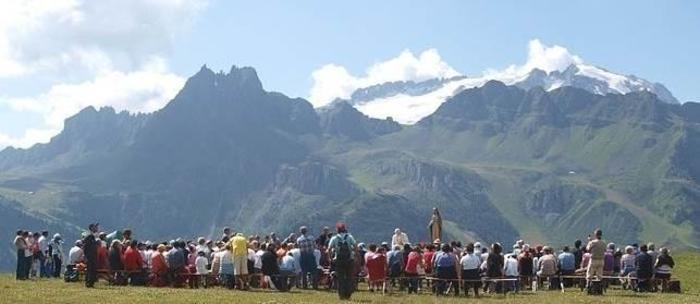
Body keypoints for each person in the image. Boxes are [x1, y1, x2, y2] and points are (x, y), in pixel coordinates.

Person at [328, 222, 357, 300]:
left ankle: (341, 295)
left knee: (340, 278)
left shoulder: (334, 238)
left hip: (339, 260)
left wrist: (330, 258)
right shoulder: (349, 237)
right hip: (349, 260)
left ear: (337, 230)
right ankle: (348, 295)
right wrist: (355, 256)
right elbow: (355, 246)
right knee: (349, 277)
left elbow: (329, 249)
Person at [83, 223, 100, 288]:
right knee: (90, 270)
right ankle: (89, 283)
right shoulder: (89, 236)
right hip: (90, 256)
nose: (96, 228)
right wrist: (86, 255)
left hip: (92, 256)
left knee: (92, 270)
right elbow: (86, 247)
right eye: (95, 227)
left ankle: (90, 283)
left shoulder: (92, 236)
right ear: (91, 228)